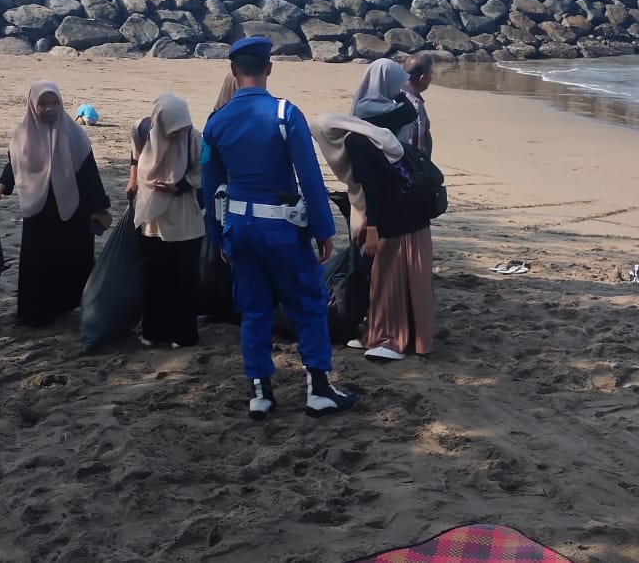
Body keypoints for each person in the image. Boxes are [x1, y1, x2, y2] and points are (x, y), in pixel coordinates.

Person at [202, 36, 358, 420]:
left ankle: (260, 392)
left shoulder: (216, 122)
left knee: (253, 309)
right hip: (283, 230)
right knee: (308, 304)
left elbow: (211, 187)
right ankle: (318, 389)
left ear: (234, 71)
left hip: (240, 229)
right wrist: (323, 228)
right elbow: (309, 177)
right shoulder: (285, 114)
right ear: (269, 68)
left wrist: (218, 235)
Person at [316, 60, 434, 362]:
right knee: (395, 276)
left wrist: (372, 228)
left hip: (398, 213)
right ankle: (386, 333)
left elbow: (374, 188)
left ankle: (391, 339)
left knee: (388, 277)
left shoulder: (358, 140)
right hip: (410, 206)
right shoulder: (381, 132)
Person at [0, 81, 113, 326]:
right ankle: (37, 313)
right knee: (38, 263)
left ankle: (67, 306)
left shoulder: (74, 135)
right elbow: (14, 166)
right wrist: (0, 188)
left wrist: (100, 208)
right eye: (43, 104)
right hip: (39, 210)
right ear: (33, 106)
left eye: (54, 103)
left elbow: (89, 175)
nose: (49, 108)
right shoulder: (23, 135)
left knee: (72, 261)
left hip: (73, 210)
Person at [128, 93, 205, 348]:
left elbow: (205, 169)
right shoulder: (142, 132)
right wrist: (133, 179)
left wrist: (179, 185)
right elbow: (136, 157)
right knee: (155, 279)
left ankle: (184, 334)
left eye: (182, 127)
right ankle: (153, 331)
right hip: (152, 220)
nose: (178, 134)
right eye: (174, 130)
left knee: (184, 280)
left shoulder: (194, 138)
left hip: (184, 221)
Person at [401, 53, 434, 157]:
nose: (431, 78)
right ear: (422, 78)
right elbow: (417, 143)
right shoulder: (414, 105)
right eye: (431, 73)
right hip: (410, 161)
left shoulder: (395, 92)